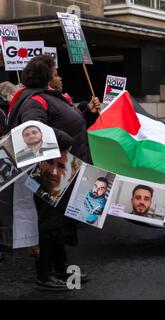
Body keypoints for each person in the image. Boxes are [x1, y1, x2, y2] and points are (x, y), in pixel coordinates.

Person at [6, 55, 101, 290]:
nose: (59, 76)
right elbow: (31, 129)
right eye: (56, 72)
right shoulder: (35, 100)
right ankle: (44, 275)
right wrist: (64, 139)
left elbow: (67, 122)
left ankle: (62, 270)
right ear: (47, 76)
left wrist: (86, 112)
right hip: (51, 170)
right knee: (50, 223)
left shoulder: (50, 98)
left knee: (61, 223)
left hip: (66, 168)